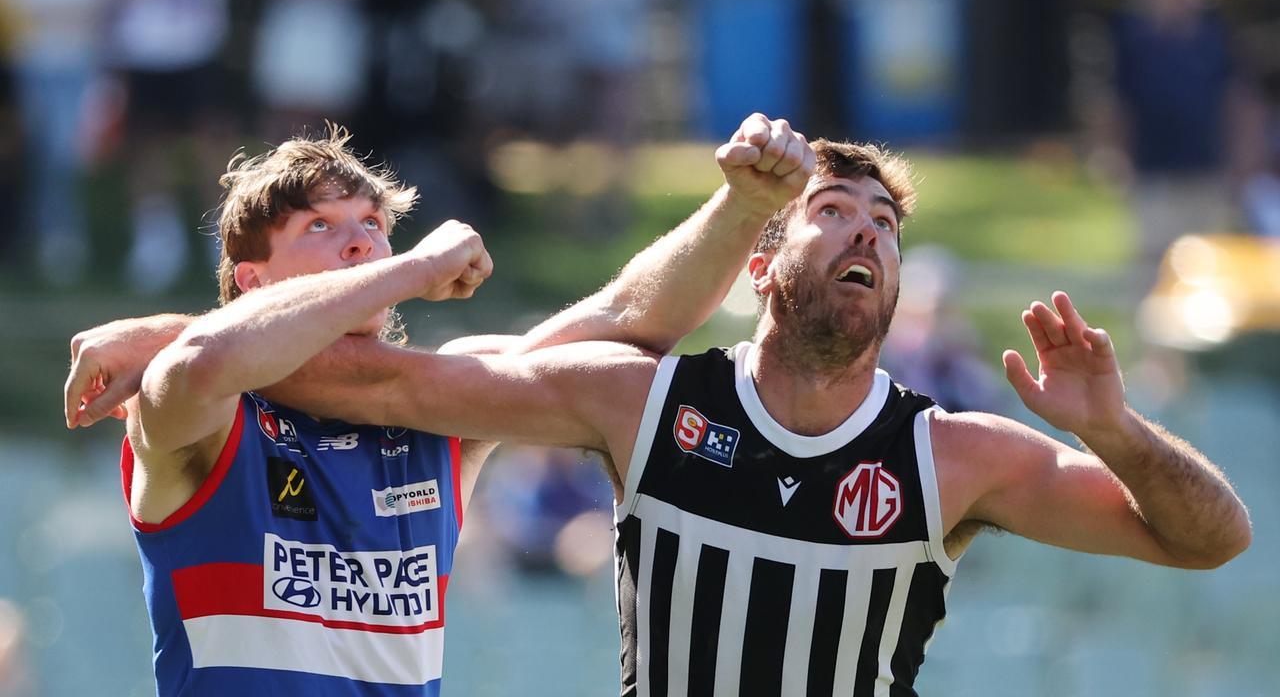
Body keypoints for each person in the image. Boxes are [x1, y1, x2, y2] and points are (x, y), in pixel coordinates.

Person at [72, 122, 1251, 695]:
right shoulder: (639, 405)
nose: (867, 237)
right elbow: (239, 376)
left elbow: (1212, 542)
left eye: (885, 226)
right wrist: (378, 279)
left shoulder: (956, 457)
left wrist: (1111, 426)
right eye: (833, 212)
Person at [63, 113, 819, 695]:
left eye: (372, 225)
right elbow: (206, 361)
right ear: (251, 281)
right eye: (320, 227)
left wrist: (742, 204)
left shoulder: (438, 402)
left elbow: (625, 323)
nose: (360, 244)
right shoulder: (197, 411)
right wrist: (413, 269)